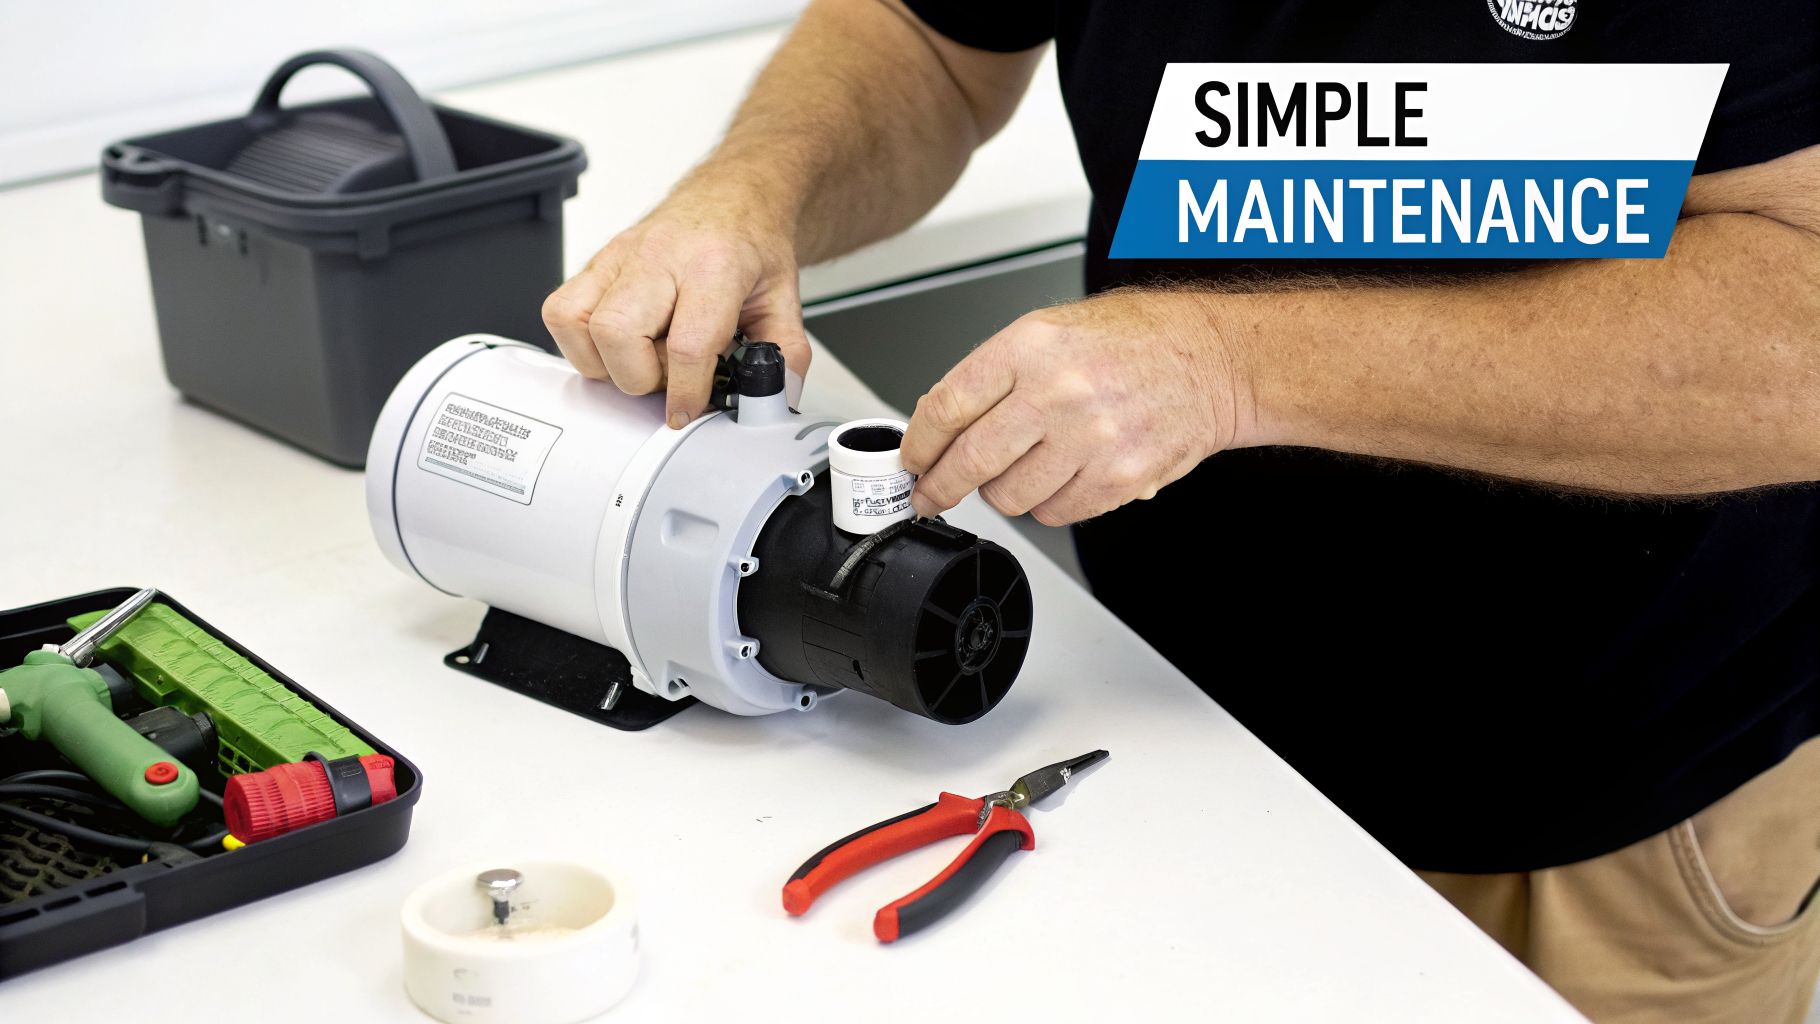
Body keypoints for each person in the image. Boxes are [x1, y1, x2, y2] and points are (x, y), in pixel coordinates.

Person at [541, 2, 1820, 1019]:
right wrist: (751, 188)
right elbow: (926, 38)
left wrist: (1228, 367)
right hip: (1167, 731)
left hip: (1602, 801)